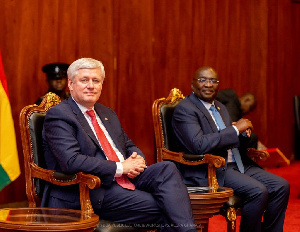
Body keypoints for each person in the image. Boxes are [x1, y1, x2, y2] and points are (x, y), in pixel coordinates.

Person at [42, 58, 197, 232]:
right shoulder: (59, 115)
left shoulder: (106, 112)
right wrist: (120, 167)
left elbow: (128, 145)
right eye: (84, 80)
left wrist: (137, 159)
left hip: (126, 178)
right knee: (170, 208)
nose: (91, 86)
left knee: (167, 168)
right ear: (70, 84)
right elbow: (71, 161)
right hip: (91, 188)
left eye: (96, 81)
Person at [172, 66, 290, 232]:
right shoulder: (186, 109)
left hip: (237, 164)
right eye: (202, 80)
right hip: (212, 169)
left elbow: (226, 138)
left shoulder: (220, 106)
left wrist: (242, 135)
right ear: (192, 85)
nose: (208, 84)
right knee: (258, 191)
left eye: (213, 81)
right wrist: (235, 130)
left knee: (281, 185)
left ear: (218, 85)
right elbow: (198, 145)